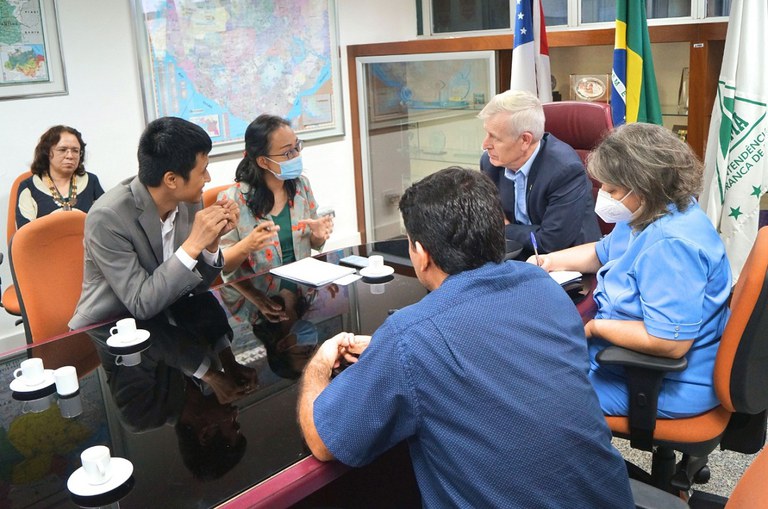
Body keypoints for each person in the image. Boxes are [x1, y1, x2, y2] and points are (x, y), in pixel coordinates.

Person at [298, 167, 634, 508]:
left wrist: (319, 364)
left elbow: (324, 442)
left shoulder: (410, 338)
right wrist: (393, 351)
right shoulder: (544, 287)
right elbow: (495, 349)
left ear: (421, 254)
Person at [529, 123, 731, 418]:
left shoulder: (671, 245)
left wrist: (594, 328)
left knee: (527, 394)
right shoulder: (650, 211)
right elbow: (602, 252)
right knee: (530, 362)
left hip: (664, 379)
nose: (604, 195)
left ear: (643, 188)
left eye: (612, 189)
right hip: (624, 357)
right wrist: (549, 261)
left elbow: (669, 342)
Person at [69, 117, 239, 330]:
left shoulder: (189, 201)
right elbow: (141, 303)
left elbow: (197, 285)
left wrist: (211, 243)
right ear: (171, 180)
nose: (208, 178)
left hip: (167, 319)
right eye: (203, 170)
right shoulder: (107, 217)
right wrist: (194, 244)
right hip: (110, 330)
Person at [479, 90, 600, 258]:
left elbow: (551, 242)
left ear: (525, 140)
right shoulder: (491, 163)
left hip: (564, 262)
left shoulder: (566, 170)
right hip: (514, 255)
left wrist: (504, 228)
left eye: (495, 138)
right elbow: (486, 219)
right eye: (487, 133)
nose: (485, 145)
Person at [219, 114, 333, 282]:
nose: (296, 155)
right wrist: (246, 245)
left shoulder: (301, 186)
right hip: (257, 292)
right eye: (287, 153)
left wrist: (318, 235)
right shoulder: (232, 199)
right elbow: (222, 264)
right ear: (263, 162)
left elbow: (313, 242)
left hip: (302, 284)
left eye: (297, 147)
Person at [16, 125, 105, 228]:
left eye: (75, 151)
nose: (70, 156)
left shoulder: (91, 181)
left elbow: (105, 221)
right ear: (47, 152)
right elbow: (25, 233)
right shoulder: (29, 187)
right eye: (62, 150)